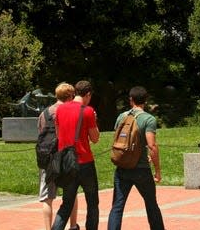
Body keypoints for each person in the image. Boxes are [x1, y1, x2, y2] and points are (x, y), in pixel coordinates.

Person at [107, 86, 165, 230]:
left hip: (122, 168)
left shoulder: (122, 117)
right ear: (145, 100)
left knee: (117, 206)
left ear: (131, 100)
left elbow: (120, 141)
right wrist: (157, 170)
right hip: (142, 170)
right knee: (151, 204)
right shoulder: (149, 119)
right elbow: (151, 145)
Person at [51, 80, 100, 230]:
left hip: (67, 163)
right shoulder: (88, 111)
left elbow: (59, 135)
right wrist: (95, 121)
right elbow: (95, 138)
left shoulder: (59, 110)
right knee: (92, 203)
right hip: (85, 162)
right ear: (88, 94)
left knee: (66, 204)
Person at [39, 82, 80, 230]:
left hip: (48, 159)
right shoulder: (71, 111)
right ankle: (73, 225)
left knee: (47, 198)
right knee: (71, 194)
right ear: (70, 96)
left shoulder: (44, 113)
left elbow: (40, 133)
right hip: (66, 157)